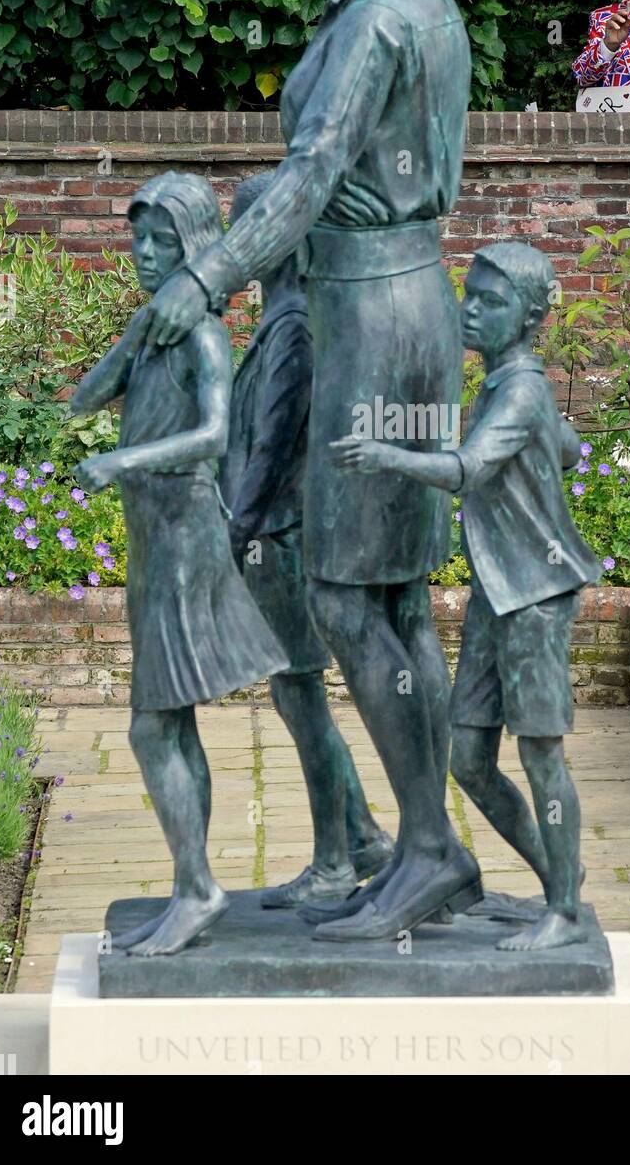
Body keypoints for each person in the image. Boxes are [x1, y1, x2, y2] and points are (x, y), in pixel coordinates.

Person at [135, 0, 481, 941]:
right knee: (393, 598)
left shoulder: (386, 17)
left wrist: (209, 276)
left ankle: (425, 846)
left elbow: (315, 170)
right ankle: (424, 848)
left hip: (371, 311)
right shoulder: (407, 5)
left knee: (345, 591)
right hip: (396, 302)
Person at [331, 242, 601, 952]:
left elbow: (469, 469)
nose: (468, 310)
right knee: (471, 761)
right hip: (497, 591)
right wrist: (547, 442)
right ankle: (557, 883)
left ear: (530, 316)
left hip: (536, 597)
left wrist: (383, 455)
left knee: (540, 753)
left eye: (488, 301)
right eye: (467, 295)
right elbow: (569, 447)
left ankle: (566, 911)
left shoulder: (518, 390)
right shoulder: (509, 388)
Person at [71, 172, 289, 957]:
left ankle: (197, 888)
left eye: (165, 242)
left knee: (151, 725)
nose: (146, 255)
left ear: (196, 247)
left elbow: (215, 436)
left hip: (186, 538)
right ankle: (191, 883)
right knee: (167, 722)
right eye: (139, 240)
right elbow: (83, 400)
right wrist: (132, 334)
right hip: (154, 540)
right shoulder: (156, 328)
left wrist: (123, 464)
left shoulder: (203, 334)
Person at [220, 173, 394, 908]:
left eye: (246, 229)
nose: (237, 245)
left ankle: (333, 862)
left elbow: (273, 450)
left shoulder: (292, 324)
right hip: (267, 536)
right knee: (296, 698)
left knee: (300, 694)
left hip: (274, 538)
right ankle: (360, 839)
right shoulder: (282, 320)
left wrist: (236, 529)